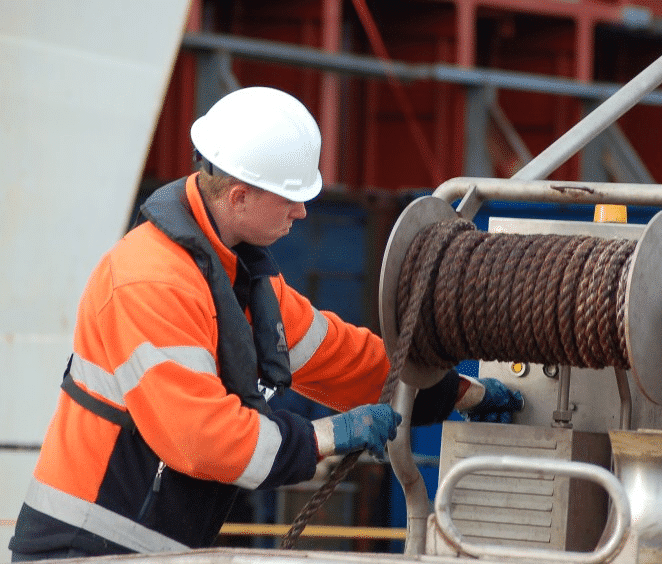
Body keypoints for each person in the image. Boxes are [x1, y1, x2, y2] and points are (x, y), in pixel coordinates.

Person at [9, 86, 523, 560]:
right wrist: (330, 436)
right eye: (290, 198)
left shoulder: (236, 275)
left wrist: (459, 393)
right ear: (238, 197)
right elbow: (199, 438)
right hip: (82, 551)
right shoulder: (151, 283)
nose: (301, 213)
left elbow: (339, 357)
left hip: (145, 548)